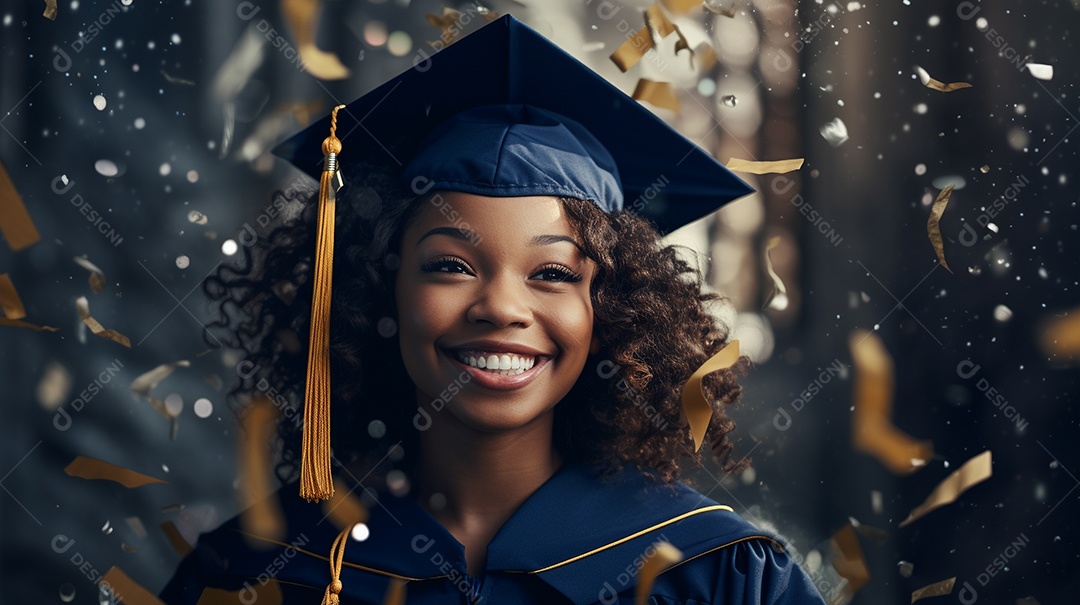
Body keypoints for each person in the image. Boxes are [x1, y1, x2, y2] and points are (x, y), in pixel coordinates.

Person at [161, 14, 826, 605]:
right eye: (450, 264)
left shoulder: (721, 577)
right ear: (375, 290)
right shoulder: (261, 570)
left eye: (554, 273)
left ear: (614, 310)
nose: (502, 306)